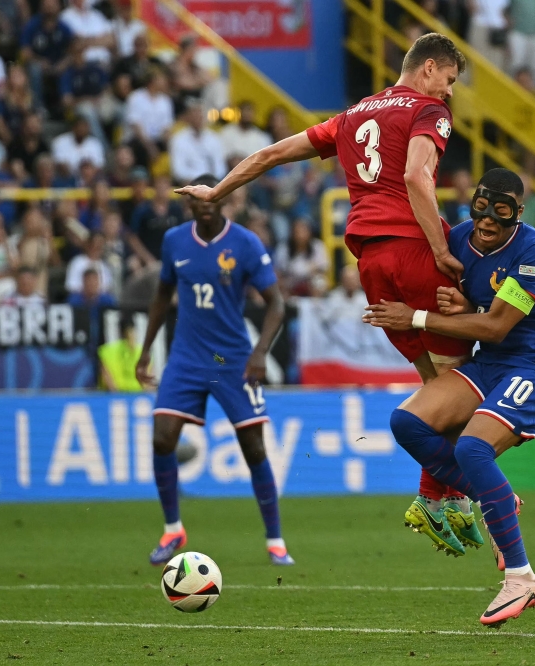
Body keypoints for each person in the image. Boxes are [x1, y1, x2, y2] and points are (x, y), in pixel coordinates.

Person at [174, 33, 477, 554]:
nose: (448, 94)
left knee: (436, 386)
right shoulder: (428, 112)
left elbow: (272, 153)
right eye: (449, 81)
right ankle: (443, 494)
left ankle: (446, 496)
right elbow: (415, 177)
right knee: (464, 380)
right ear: (429, 69)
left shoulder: (353, 115)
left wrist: (216, 193)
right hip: (414, 251)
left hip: (371, 262)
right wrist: (441, 250)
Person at [363, 168, 535, 626]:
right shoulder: (457, 240)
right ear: (473, 202)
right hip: (490, 364)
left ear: (518, 214)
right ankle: (493, 496)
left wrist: (415, 318)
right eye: (483, 207)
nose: (488, 220)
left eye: (502, 212)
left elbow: (497, 324)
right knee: (407, 422)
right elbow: (469, 308)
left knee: (473, 448)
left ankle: (521, 578)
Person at [135, 174, 291, 567]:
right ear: (189, 204)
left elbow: (276, 304)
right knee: (161, 438)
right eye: (198, 198)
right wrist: (145, 350)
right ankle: (173, 529)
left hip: (230, 359)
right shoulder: (174, 242)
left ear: (223, 200)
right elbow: (161, 298)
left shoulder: (245, 243)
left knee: (253, 447)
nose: (205, 202)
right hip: (186, 355)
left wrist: (259, 353)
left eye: (213, 196)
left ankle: (275, 540)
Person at [99, 315, 142, 391]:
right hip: (137, 397)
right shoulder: (142, 352)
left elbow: (107, 379)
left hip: (118, 397)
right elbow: (149, 383)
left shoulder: (106, 351)